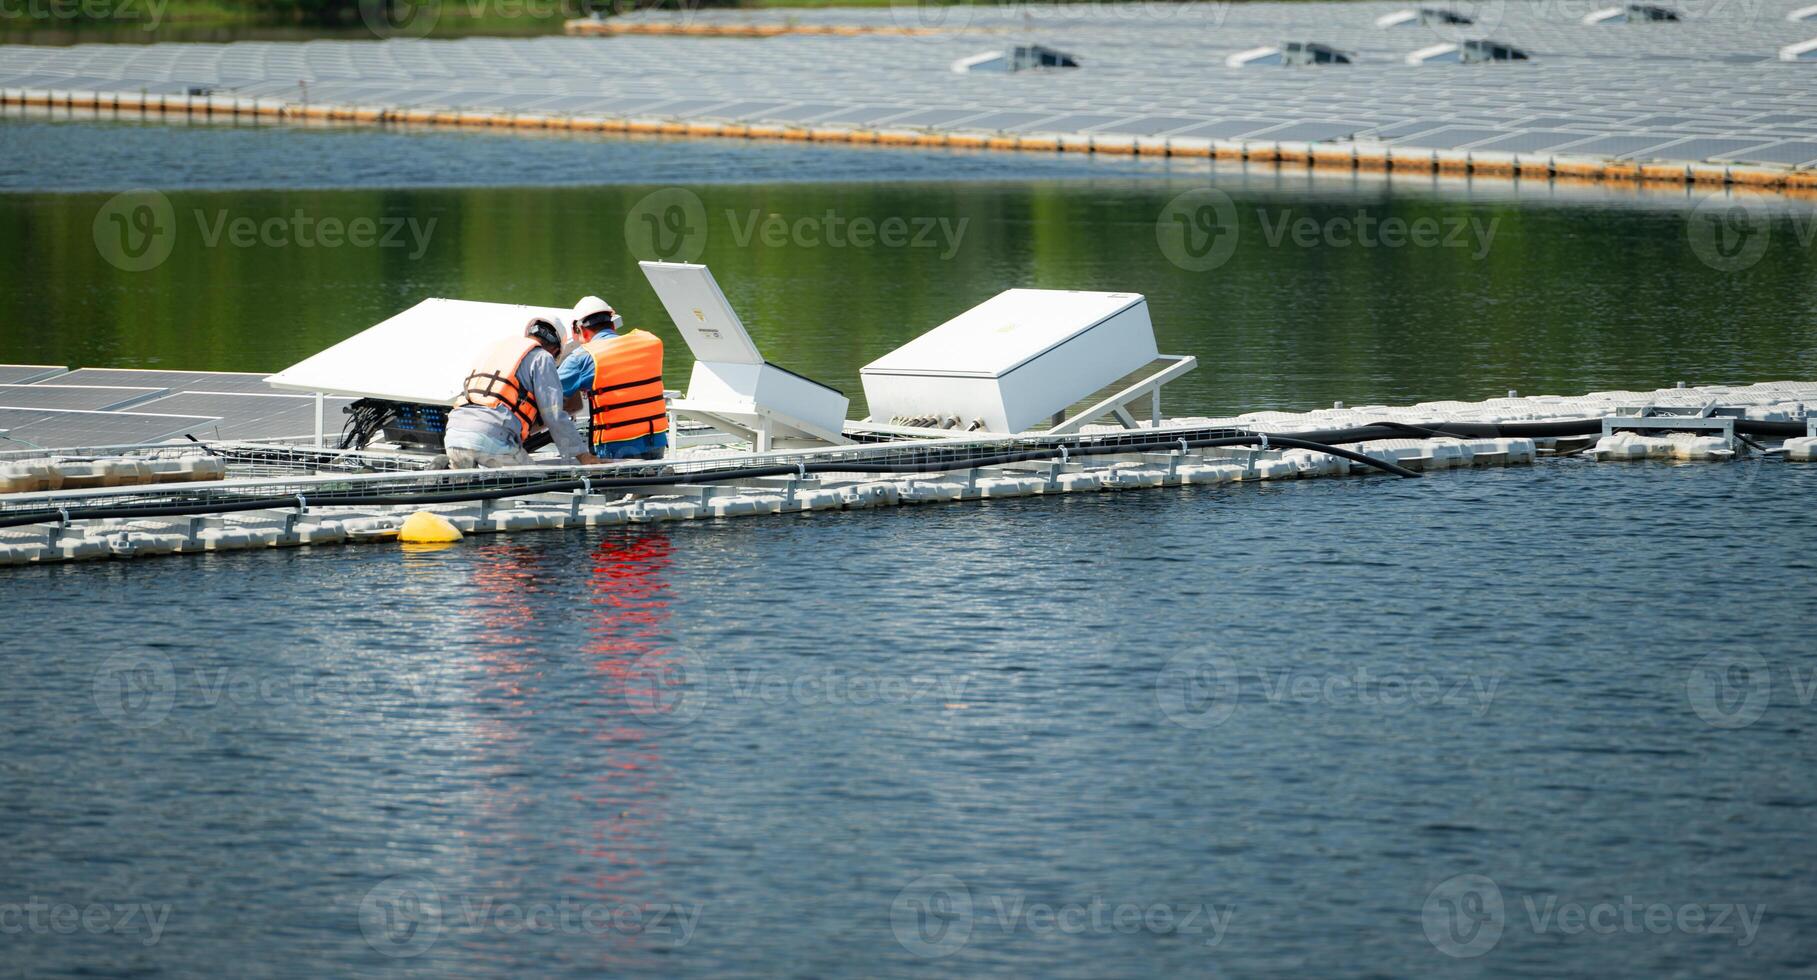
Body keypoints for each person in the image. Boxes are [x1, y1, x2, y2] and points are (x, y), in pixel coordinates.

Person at [444, 316, 599, 468]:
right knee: (534, 481)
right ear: (555, 350)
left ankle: (445, 467)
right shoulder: (542, 357)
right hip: (491, 440)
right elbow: (554, 416)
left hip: (454, 436)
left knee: (469, 484)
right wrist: (583, 456)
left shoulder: (494, 349)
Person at [559, 295, 670, 462]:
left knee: (609, 488)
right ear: (612, 324)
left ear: (580, 330)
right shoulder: (649, 344)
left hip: (615, 449)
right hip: (655, 442)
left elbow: (547, 388)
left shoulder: (583, 357)